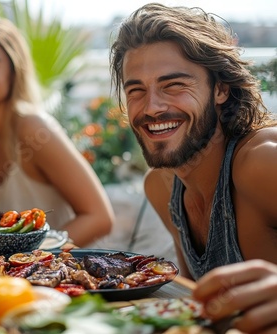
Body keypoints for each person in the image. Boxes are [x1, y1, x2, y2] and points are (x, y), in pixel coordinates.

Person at [110, 3, 277, 332]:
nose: (152, 107)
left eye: (173, 85)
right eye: (136, 90)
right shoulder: (160, 185)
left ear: (220, 88)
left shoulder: (262, 162)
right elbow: (198, 307)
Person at [0, 18, 115, 246]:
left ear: (13, 72)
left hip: (53, 273)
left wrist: (26, 261)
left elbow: (100, 218)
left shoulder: (34, 129)